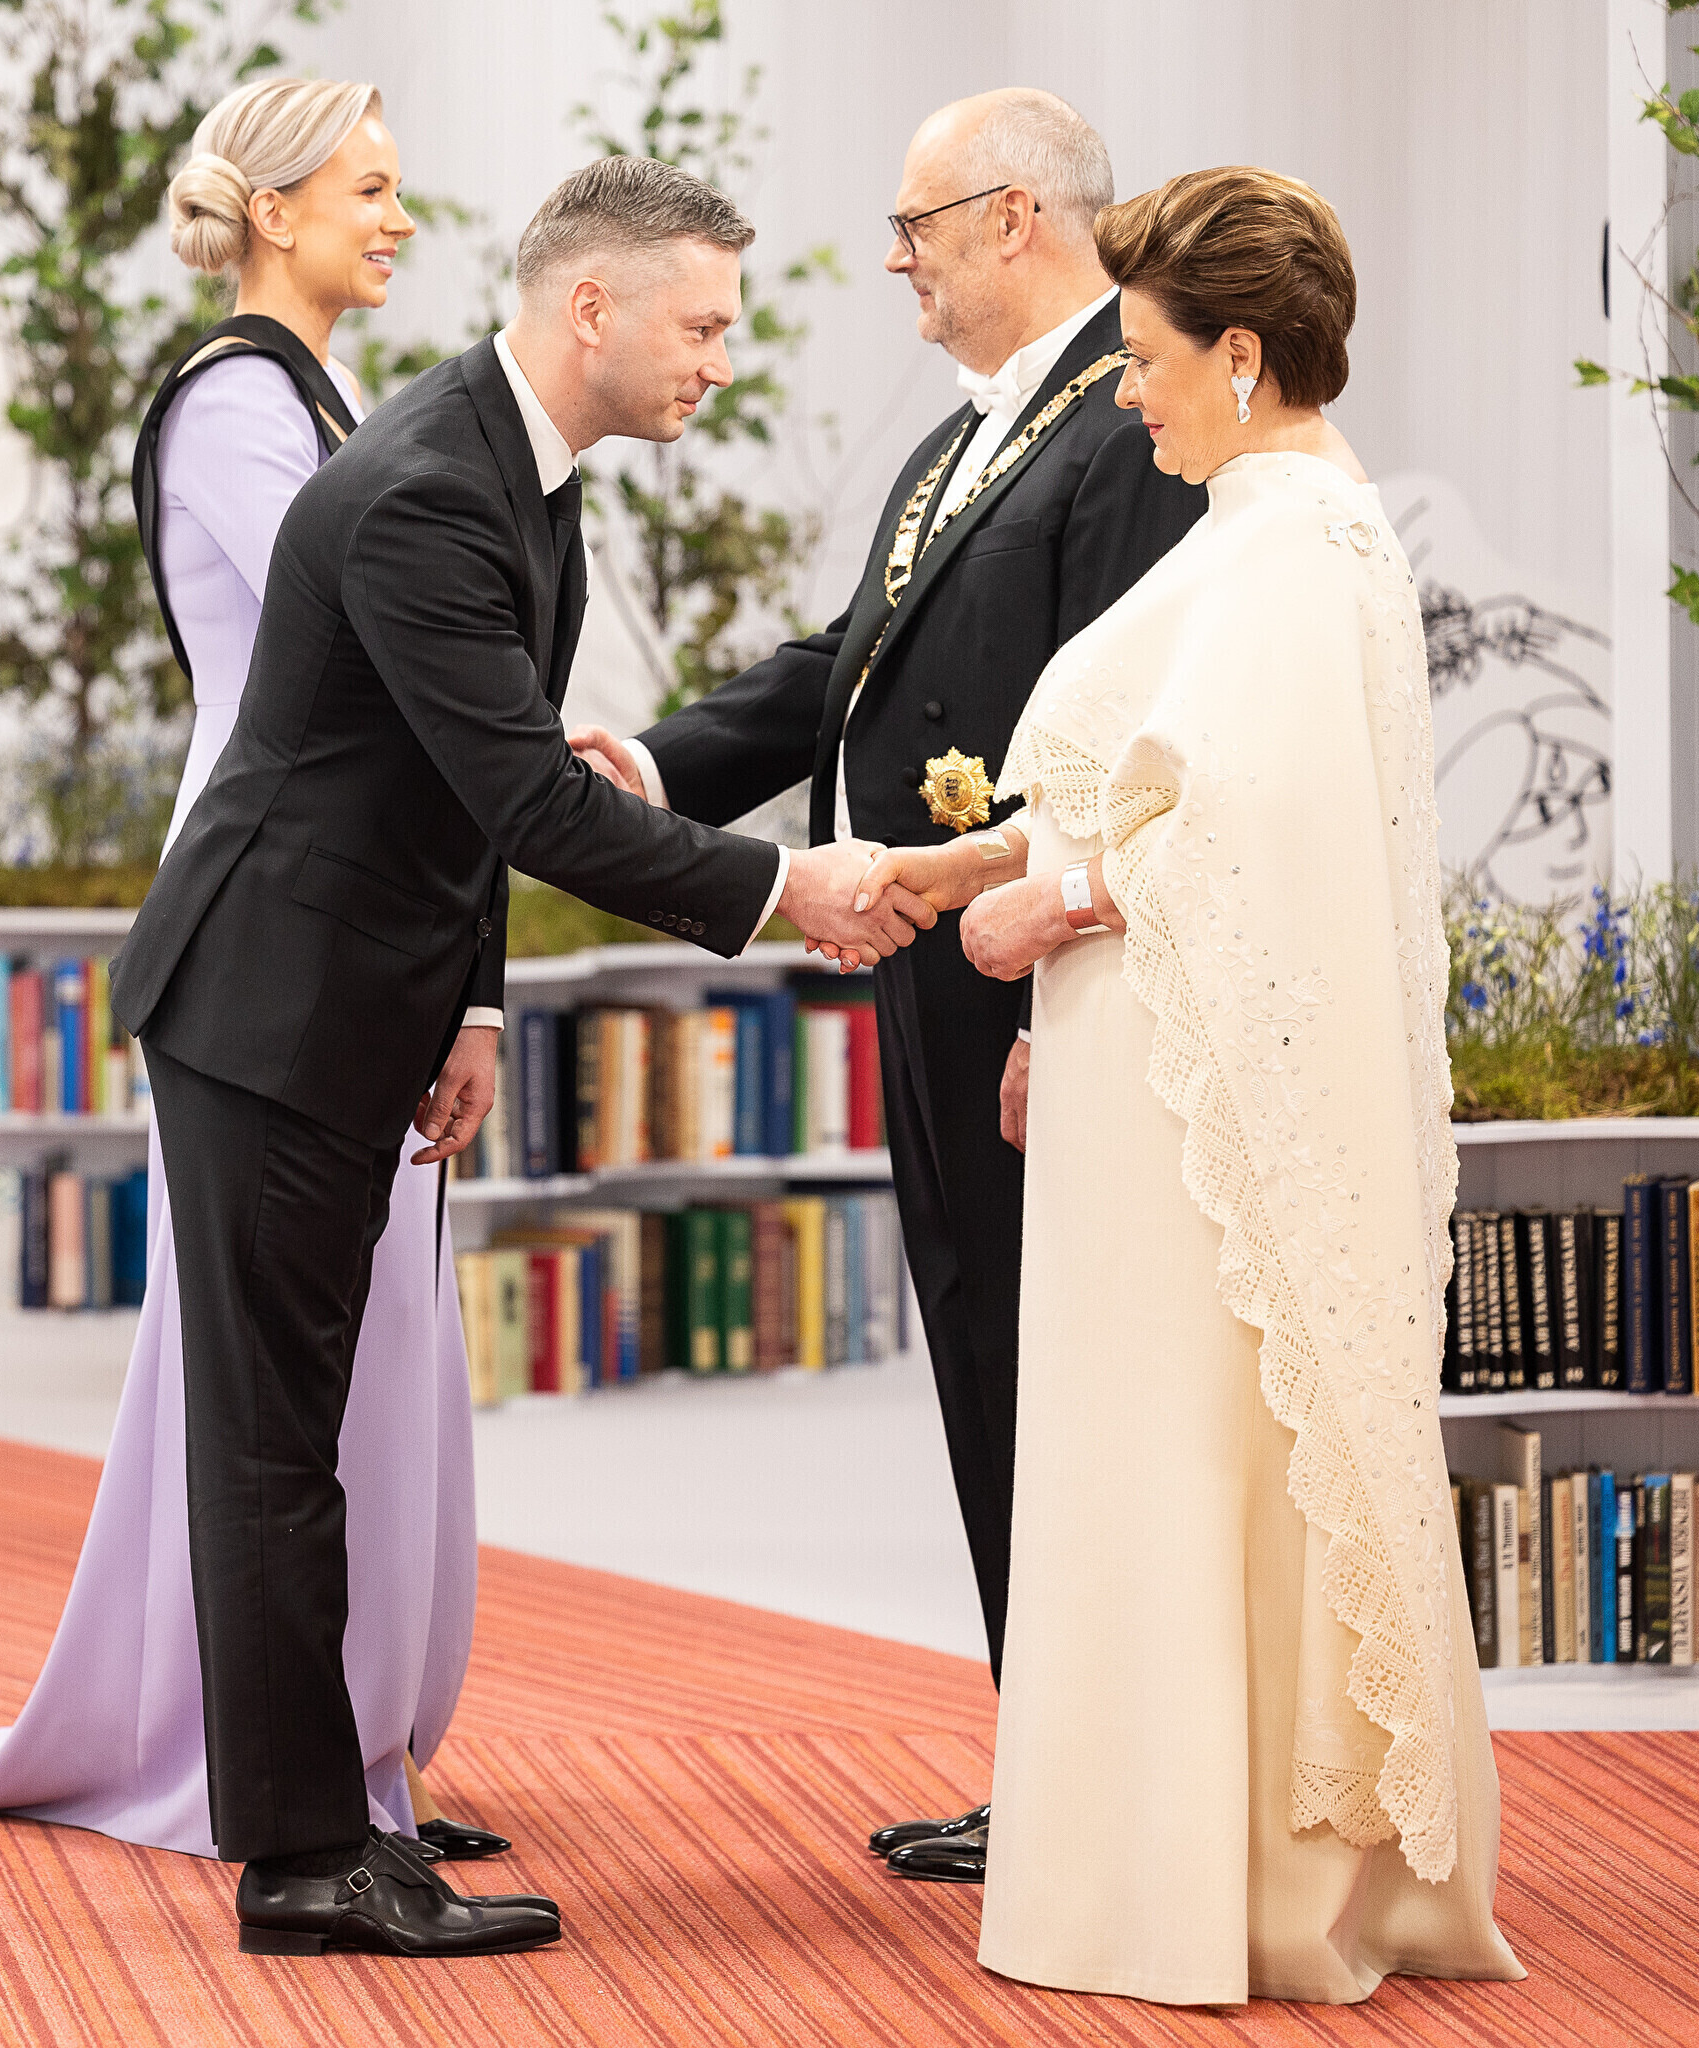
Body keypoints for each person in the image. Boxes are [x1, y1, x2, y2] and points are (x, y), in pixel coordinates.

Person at [108, 152, 921, 1959]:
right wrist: (786, 887)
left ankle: (337, 1828)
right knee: (272, 1447)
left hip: (348, 997)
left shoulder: (515, 468)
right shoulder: (428, 489)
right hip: (266, 1008)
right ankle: (304, 1865)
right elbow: (530, 800)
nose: (720, 360)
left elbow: (463, 779)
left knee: (296, 1436)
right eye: (701, 325)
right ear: (591, 307)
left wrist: (471, 1006)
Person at [864, 167, 1526, 2005]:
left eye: (1149, 361)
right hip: (1151, 1092)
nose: (1130, 395)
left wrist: (1044, 913)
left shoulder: (1299, 543)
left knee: (1177, 1462)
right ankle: (1172, 1859)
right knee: (1155, 1460)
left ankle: (1212, 1877)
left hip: (1188, 1122)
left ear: (1242, 355)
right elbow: (1149, 782)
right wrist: (960, 871)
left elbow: (1239, 826)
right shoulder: (1260, 525)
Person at [567, 89, 1202, 1875]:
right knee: (988, 1363)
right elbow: (844, 667)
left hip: (1031, 971)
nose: (899, 263)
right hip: (927, 968)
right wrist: (655, 769)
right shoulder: (962, 440)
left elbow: (1125, 747)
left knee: (1063, 1379)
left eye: (916, 227)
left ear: (1015, 218)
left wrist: (1057, 982)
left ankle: (1106, 1780)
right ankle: (1049, 1757)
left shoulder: (1131, 418)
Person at [0, 75, 510, 1867]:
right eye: (369, 188)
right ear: (273, 209)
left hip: (371, 917)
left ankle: (357, 1752)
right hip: (282, 928)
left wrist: (473, 984)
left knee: (375, 1343)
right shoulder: (237, 404)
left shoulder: (335, 402)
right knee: (282, 1368)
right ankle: (253, 1755)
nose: (400, 218)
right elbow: (392, 664)